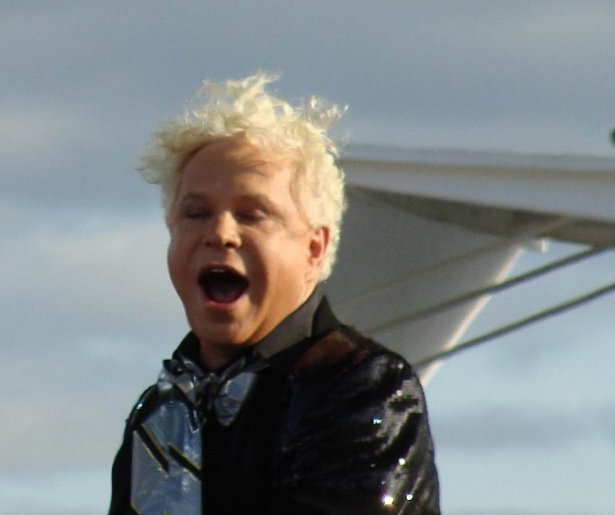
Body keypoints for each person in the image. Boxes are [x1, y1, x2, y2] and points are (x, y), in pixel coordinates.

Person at [108, 73, 440, 514]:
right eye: (196, 213)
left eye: (252, 214)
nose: (220, 233)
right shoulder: (159, 415)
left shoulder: (359, 388)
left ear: (314, 249)